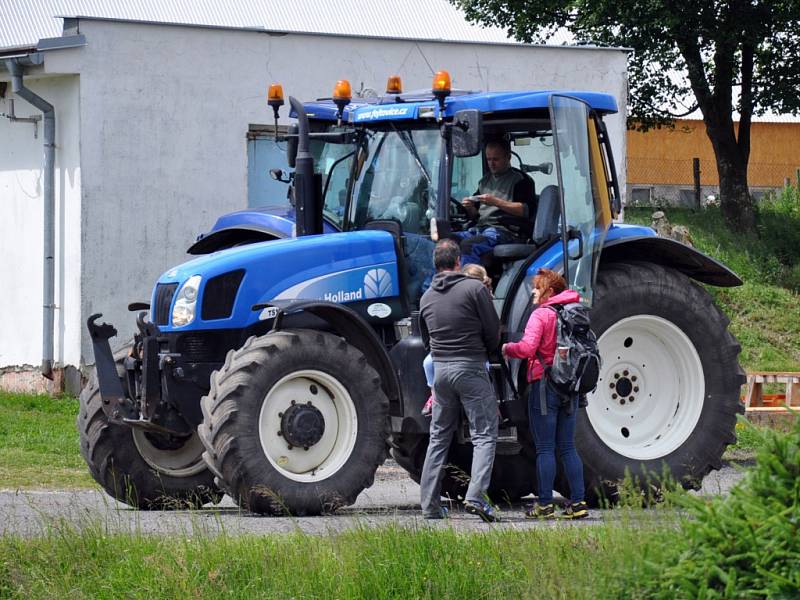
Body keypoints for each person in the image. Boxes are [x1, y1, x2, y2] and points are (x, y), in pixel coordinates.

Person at [419, 240, 502, 521]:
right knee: (484, 435)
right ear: (458, 262)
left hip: (440, 371)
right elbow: (493, 330)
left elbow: (427, 340)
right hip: (470, 367)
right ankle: (476, 497)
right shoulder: (475, 289)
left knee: (438, 437)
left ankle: (430, 505)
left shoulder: (426, 297)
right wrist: (488, 352)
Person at [501, 268, 589, 520]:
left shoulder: (542, 315)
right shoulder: (573, 312)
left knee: (545, 448)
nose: (533, 292)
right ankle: (579, 502)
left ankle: (545, 504)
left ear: (550, 291)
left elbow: (528, 348)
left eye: (537, 288)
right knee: (568, 447)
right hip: (570, 387)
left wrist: (508, 348)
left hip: (544, 385)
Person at [421, 263, 493, 417]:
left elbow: (491, 328)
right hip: (448, 350)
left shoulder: (480, 295)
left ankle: (489, 402)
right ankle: (433, 395)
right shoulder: (452, 298)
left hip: (473, 350)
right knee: (427, 363)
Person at [454, 139, 537, 265]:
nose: (491, 164)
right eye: (488, 159)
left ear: (508, 157)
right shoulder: (484, 181)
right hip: (480, 228)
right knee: (448, 241)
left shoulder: (521, 180)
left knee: (469, 245)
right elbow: (476, 216)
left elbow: (526, 211)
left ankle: (467, 282)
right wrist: (469, 207)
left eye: (495, 159)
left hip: (505, 231)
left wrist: (496, 202)